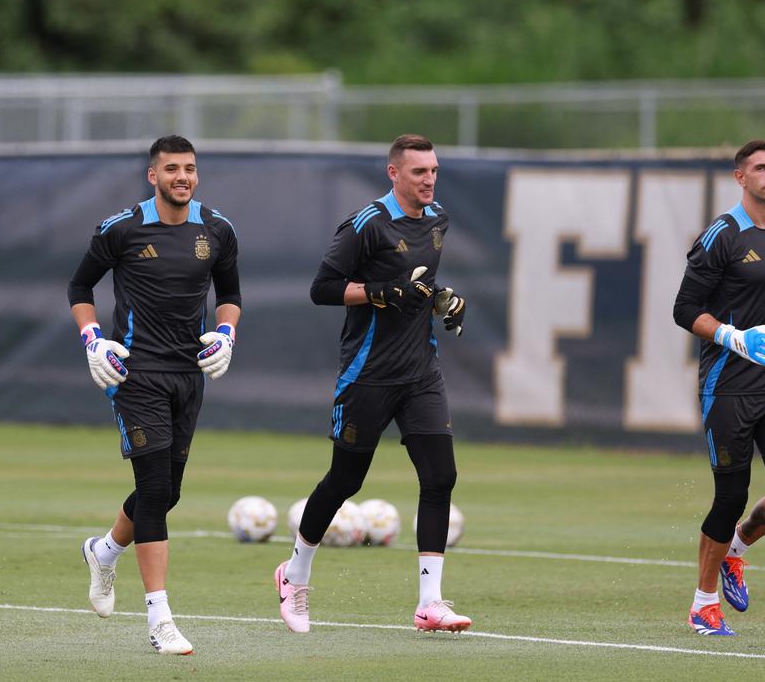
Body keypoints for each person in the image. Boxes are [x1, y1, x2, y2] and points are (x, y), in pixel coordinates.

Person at [274, 134, 471, 634]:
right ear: (394, 173)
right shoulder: (367, 224)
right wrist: (380, 291)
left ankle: (430, 603)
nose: (428, 180)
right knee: (346, 481)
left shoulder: (439, 220)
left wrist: (442, 299)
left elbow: (419, 283)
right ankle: (293, 575)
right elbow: (321, 288)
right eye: (418, 172)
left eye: (433, 171)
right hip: (367, 374)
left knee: (440, 476)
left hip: (421, 372)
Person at [68, 135, 241, 655]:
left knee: (166, 494)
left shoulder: (217, 229)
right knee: (154, 485)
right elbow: (79, 288)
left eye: (189, 168)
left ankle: (103, 552)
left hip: (189, 376)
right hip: (135, 375)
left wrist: (228, 334)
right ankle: (160, 620)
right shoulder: (121, 228)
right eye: (172, 169)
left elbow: (230, 296)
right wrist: (93, 340)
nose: (182, 177)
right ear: (153, 176)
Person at [673, 139, 765, 636]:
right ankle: (702, 604)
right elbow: (684, 308)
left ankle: (736, 551)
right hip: (728, 387)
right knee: (730, 495)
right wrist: (731, 335)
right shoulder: (722, 236)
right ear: (741, 177)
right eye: (761, 168)